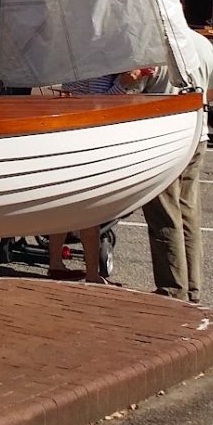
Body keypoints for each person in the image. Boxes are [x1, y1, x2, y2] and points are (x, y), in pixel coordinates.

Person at [141, 30, 213, 304]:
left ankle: (171, 289)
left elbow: (132, 92)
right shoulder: (202, 43)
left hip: (164, 141)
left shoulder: (152, 47)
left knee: (164, 215)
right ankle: (192, 288)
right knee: (188, 214)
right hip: (197, 135)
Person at [47, 68, 154, 284]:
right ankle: (91, 274)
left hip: (72, 135)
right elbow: (97, 104)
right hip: (85, 138)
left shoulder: (85, 61)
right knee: (90, 212)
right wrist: (123, 83)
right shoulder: (95, 67)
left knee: (67, 207)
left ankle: (56, 264)